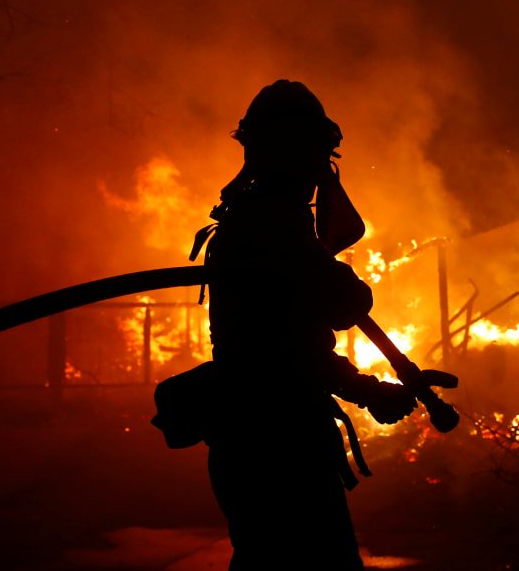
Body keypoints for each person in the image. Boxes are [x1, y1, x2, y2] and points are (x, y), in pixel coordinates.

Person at [175, 79, 418, 570]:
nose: (321, 171)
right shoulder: (272, 230)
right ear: (297, 154)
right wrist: (369, 390)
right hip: (280, 447)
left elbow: (295, 338)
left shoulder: (255, 222)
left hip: (252, 439)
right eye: (317, 155)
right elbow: (301, 342)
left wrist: (364, 387)